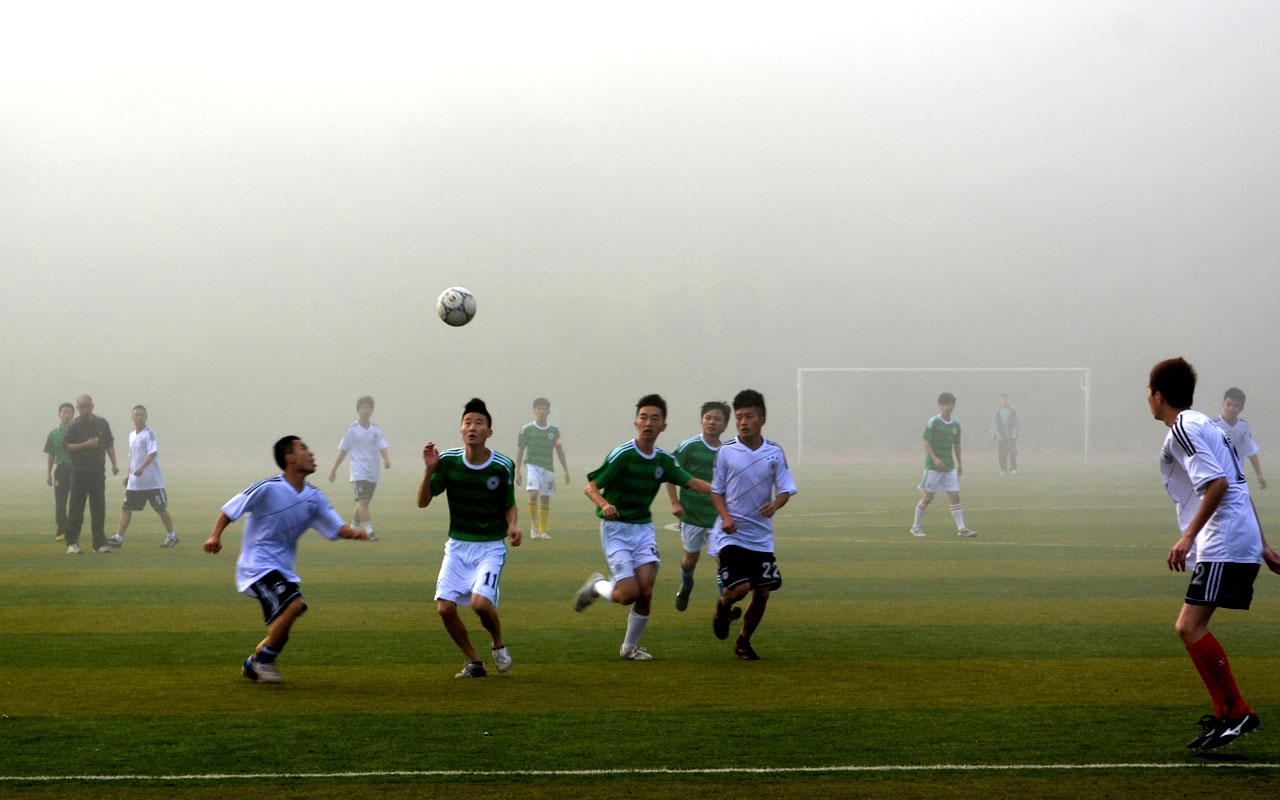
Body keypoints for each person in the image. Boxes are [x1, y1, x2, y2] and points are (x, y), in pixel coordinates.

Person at [1148, 358, 1280, 750]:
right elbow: (1238, 482)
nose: (1148, 402)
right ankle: (1228, 714)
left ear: (1158, 396)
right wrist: (1264, 544)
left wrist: (1188, 537)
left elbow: (1219, 483)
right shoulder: (1205, 424)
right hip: (1236, 537)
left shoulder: (1185, 429)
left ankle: (1237, 712)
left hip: (1223, 540)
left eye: (1149, 394)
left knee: (1189, 627)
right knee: (1190, 626)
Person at [204, 436, 371, 683]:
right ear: (289, 458)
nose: (311, 453)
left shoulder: (314, 496)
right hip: (257, 566)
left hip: (282, 569)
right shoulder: (268, 487)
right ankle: (263, 662)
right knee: (293, 605)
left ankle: (254, 662)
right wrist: (214, 536)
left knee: (284, 625)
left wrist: (356, 533)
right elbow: (230, 509)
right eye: (303, 448)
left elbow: (335, 526)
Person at [573, 394, 712, 661]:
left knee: (647, 590)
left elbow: (692, 482)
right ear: (636, 422)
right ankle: (598, 585)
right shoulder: (623, 455)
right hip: (617, 530)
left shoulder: (663, 460)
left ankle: (628, 648)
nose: (649, 422)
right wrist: (604, 504)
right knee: (627, 595)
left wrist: (722, 491)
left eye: (655, 418)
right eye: (644, 417)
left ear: (663, 426)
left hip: (643, 530)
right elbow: (590, 486)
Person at [418, 398, 521, 678]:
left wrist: (512, 525)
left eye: (479, 423)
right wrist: (429, 470)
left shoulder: (502, 465)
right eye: (467, 422)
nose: (472, 427)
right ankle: (474, 662)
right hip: (458, 546)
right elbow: (423, 502)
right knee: (445, 610)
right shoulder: (448, 461)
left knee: (480, 604)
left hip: (490, 547)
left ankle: (498, 642)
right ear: (461, 430)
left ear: (489, 432)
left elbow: (509, 503)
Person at [709, 390, 797, 661]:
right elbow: (716, 491)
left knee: (762, 593)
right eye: (739, 417)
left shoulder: (774, 452)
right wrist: (725, 517)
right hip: (732, 534)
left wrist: (775, 505)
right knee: (740, 589)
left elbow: (785, 489)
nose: (743, 422)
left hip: (761, 536)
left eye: (749, 416)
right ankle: (723, 606)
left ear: (762, 420)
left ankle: (743, 641)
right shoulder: (726, 452)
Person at [665, 400, 730, 611]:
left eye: (717, 419)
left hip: (718, 516)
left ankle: (725, 606)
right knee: (691, 558)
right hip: (692, 514)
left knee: (724, 559)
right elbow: (670, 473)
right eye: (708, 418)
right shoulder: (689, 446)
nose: (712, 422)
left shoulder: (729, 451)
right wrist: (674, 502)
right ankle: (686, 584)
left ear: (725, 425)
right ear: (701, 421)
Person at [108, 405, 178, 548]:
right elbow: (132, 457)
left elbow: (152, 453)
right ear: (132, 417)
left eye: (142, 415)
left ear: (146, 417)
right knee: (126, 508)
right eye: (136, 415)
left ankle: (172, 536)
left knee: (160, 509)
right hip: (135, 483)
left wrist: (142, 468)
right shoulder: (131, 435)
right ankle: (118, 538)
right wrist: (129, 476)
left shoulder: (149, 434)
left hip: (152, 482)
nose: (139, 418)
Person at [910, 392, 976, 538]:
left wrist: (960, 464)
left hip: (949, 466)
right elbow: (926, 442)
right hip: (933, 467)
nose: (947, 408)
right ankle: (915, 526)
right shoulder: (933, 422)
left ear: (953, 406)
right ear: (940, 406)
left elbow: (957, 445)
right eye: (944, 405)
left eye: (950, 405)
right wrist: (935, 459)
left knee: (955, 496)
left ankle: (962, 529)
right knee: (928, 497)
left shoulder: (956, 424)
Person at [327, 396, 390, 541]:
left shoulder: (376, 430)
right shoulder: (351, 430)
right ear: (358, 410)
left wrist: (386, 459)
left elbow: (382, 446)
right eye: (363, 408)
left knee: (364, 503)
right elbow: (343, 451)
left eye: (369, 408)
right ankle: (370, 532)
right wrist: (333, 470)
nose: (366, 411)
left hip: (373, 472)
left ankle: (353, 529)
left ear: (372, 410)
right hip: (358, 472)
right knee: (363, 501)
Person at [62, 394, 119, 554]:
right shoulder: (74, 426)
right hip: (79, 473)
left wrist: (114, 463)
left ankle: (99, 544)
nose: (86, 409)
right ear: (78, 408)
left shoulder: (102, 422)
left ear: (92, 406)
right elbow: (66, 447)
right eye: (82, 406)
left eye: (88, 406)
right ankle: (72, 543)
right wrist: (85, 445)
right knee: (76, 509)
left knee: (99, 508)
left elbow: (109, 443)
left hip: (97, 473)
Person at [514, 397, 571, 540]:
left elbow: (559, 450)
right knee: (533, 494)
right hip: (532, 465)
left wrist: (566, 471)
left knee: (545, 499)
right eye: (538, 409)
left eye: (543, 409)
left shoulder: (554, 430)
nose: (541, 411)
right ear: (534, 411)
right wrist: (517, 470)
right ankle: (533, 527)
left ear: (548, 411)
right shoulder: (526, 429)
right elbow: (520, 449)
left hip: (548, 468)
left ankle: (542, 531)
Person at [1214, 387, 1266, 490]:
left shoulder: (1244, 427)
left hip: (1237, 479)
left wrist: (1259, 475)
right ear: (1223, 403)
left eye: (1235, 405)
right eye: (1228, 404)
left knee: (1245, 505)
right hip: (1217, 478)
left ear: (1241, 408)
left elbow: (1251, 451)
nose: (1231, 408)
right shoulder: (1213, 425)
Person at [43, 402, 75, 541]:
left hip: (76, 469)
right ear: (59, 415)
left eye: (69, 412)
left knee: (76, 502)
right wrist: (48, 473)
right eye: (64, 412)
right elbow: (51, 454)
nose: (67, 415)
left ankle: (73, 530)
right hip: (61, 469)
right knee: (60, 502)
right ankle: (61, 530)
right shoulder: (54, 434)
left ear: (73, 415)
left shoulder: (77, 431)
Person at [993, 393, 1019, 475]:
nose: (1004, 401)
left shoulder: (1012, 411)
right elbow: (995, 423)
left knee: (1012, 453)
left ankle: (1013, 469)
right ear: (1000, 401)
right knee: (1002, 454)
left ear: (1008, 401)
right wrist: (993, 433)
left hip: (1011, 435)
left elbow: (1016, 422)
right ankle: (1003, 469)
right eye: (1002, 399)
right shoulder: (997, 411)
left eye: (1005, 399)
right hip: (1001, 436)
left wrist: (1016, 432)